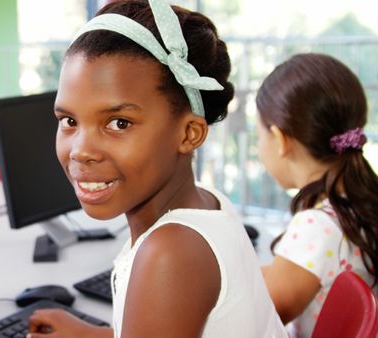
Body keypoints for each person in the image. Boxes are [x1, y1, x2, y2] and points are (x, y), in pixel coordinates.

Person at [27, 1, 287, 337]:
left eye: (119, 123)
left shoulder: (170, 253)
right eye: (69, 121)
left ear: (189, 133)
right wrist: (94, 334)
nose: (81, 151)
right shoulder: (207, 202)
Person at [257, 53, 378, 338]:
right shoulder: (356, 205)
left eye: (259, 135)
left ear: (279, 139)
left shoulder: (318, 226)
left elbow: (258, 313)